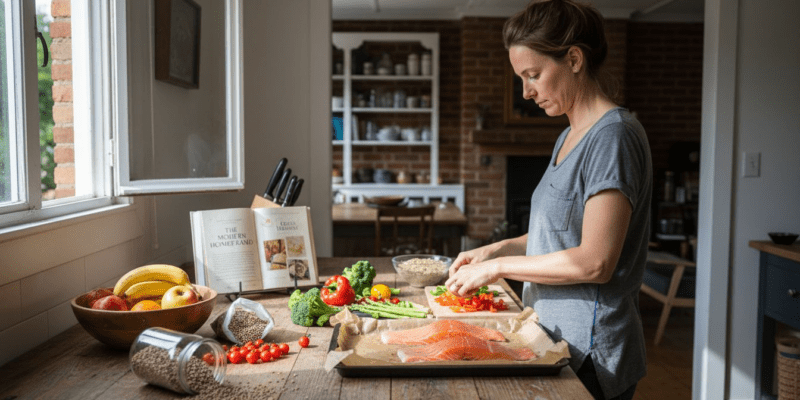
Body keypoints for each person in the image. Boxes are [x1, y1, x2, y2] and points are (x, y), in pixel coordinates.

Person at [445, 1, 652, 399]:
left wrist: (500, 268)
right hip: (553, 339)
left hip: (593, 352)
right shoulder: (567, 136)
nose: (526, 91)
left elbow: (595, 261)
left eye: (534, 74)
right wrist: (495, 249)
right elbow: (561, 234)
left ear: (574, 59)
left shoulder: (614, 137)